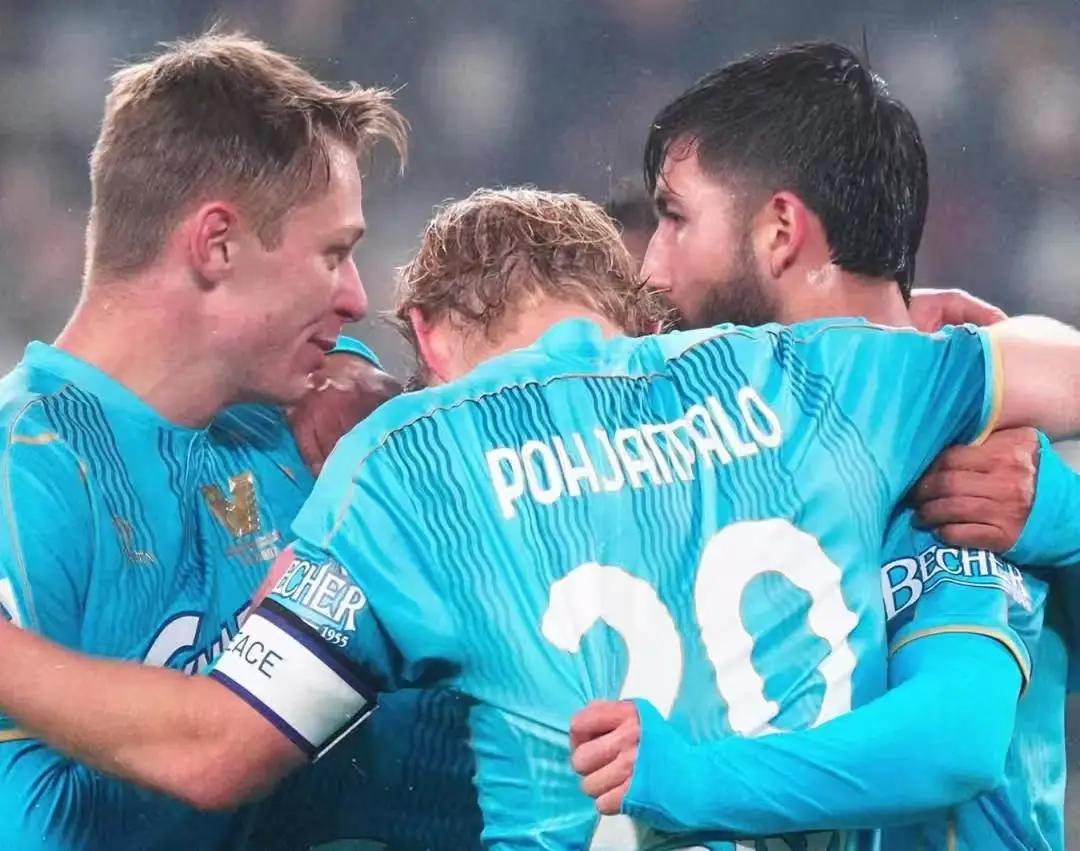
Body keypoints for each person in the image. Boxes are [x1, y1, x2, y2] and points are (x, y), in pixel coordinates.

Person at [0, 186, 1078, 851]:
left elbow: (219, 749)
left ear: (426, 335)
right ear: (629, 314)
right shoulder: (818, 378)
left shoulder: (407, 461)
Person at [569, 41, 1080, 851]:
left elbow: (953, 738)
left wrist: (692, 780)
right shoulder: (726, 448)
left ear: (780, 230)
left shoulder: (954, 459)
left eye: (675, 217)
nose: (652, 268)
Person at [0, 28, 482, 851]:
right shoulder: (29, 476)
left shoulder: (315, 430)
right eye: (333, 253)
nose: (355, 296)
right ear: (216, 243)